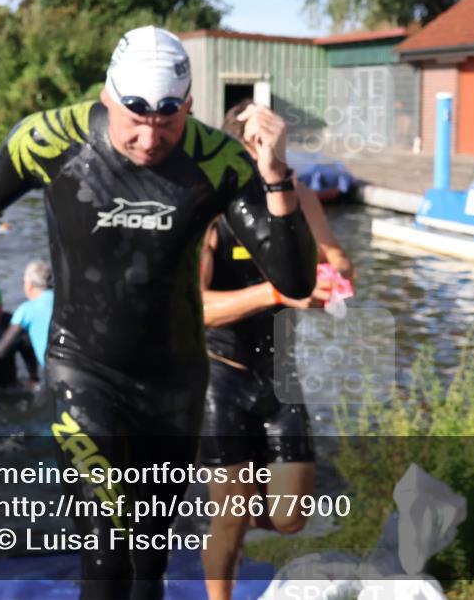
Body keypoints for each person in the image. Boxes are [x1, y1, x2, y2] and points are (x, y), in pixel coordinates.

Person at [0, 25, 317, 599]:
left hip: (176, 383)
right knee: (107, 549)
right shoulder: (51, 139)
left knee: (149, 558)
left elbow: (295, 278)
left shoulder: (217, 159)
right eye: (136, 121)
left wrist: (276, 174)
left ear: (189, 107)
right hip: (83, 371)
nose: (151, 141)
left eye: (167, 123)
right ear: (108, 97)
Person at [199, 101, 355, 600]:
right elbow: (194, 308)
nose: (263, 161)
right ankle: (223, 562)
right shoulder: (209, 208)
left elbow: (339, 260)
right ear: (234, 151)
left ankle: (234, 528)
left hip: (279, 376)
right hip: (219, 377)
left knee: (291, 517)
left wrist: (336, 277)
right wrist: (278, 293)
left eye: (272, 149)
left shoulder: (300, 197)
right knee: (230, 511)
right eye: (254, 150)